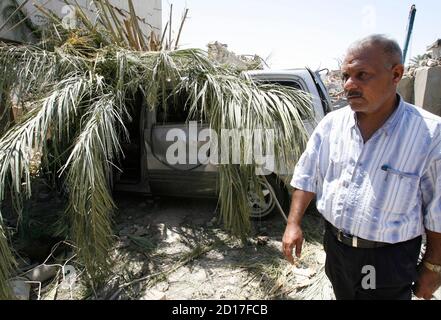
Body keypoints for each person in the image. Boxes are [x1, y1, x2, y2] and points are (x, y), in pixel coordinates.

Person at [282, 34, 441, 300]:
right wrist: (293, 224)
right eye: (346, 75)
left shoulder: (429, 134)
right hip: (337, 249)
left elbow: (438, 210)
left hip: (387, 259)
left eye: (362, 75)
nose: (348, 85)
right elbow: (307, 174)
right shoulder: (332, 125)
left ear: (396, 74)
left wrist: (433, 268)